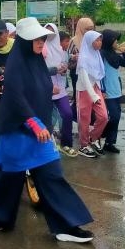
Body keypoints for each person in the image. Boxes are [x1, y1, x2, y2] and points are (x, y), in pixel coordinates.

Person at [0, 17, 94, 243]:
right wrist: (35, 123)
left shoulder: (37, 61)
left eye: (43, 38)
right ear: (24, 40)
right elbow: (16, 98)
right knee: (7, 181)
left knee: (53, 177)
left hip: (41, 136)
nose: (41, 41)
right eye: (36, 38)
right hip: (18, 133)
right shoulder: (15, 65)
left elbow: (39, 93)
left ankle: (66, 225)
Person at [42, 23, 74, 157]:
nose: (49, 34)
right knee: (45, 119)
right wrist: (54, 71)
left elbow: (64, 66)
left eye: (52, 32)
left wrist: (63, 70)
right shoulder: (40, 49)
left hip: (60, 89)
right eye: (46, 31)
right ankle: (45, 146)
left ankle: (66, 143)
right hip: (45, 89)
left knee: (67, 114)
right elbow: (39, 71)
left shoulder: (62, 51)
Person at [76, 30, 108, 158]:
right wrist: (93, 96)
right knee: (85, 119)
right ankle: (83, 145)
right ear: (90, 41)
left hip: (96, 88)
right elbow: (84, 78)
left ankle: (93, 138)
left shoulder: (97, 54)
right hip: (84, 90)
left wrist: (99, 91)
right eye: (97, 40)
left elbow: (98, 75)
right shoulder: (83, 57)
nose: (99, 43)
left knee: (104, 116)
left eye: (100, 40)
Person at [100, 29, 125, 154]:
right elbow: (99, 74)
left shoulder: (114, 54)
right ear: (109, 41)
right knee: (114, 117)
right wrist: (102, 89)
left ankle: (109, 142)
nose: (116, 42)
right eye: (114, 39)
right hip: (107, 91)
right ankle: (99, 134)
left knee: (116, 117)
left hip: (116, 90)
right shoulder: (101, 55)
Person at [68, 17, 95, 98]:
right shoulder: (74, 41)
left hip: (91, 72)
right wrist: (74, 57)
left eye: (92, 29)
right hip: (77, 73)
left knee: (91, 95)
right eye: (87, 29)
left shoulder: (94, 39)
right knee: (79, 95)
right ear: (81, 28)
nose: (90, 31)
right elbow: (67, 56)